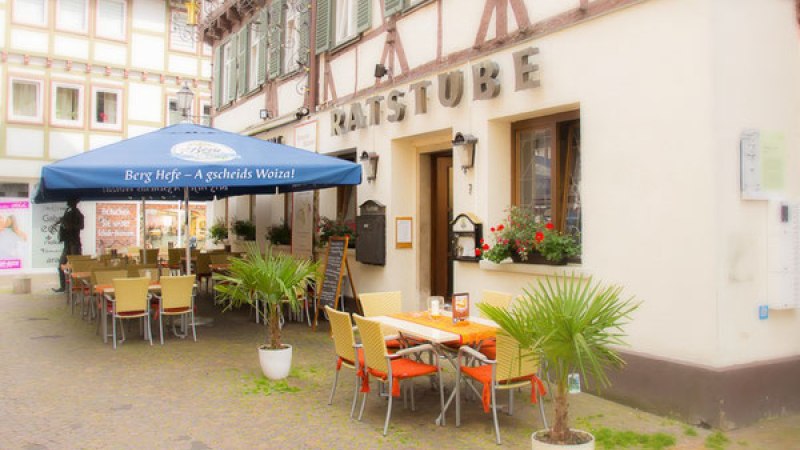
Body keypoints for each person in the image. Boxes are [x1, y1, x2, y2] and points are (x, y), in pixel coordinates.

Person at [53, 199, 84, 293]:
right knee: (61, 266)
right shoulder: (68, 211)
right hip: (68, 243)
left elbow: (81, 226)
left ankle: (75, 287)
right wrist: (61, 222)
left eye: (69, 201)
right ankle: (64, 287)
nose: (67, 203)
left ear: (74, 202)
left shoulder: (78, 214)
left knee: (76, 267)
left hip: (74, 243)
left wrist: (67, 224)